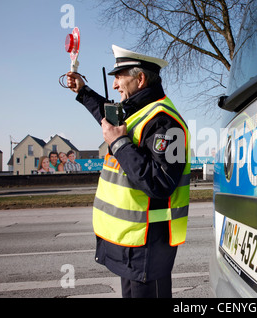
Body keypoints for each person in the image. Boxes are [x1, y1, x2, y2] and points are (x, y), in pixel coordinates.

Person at [66, 45, 191, 298]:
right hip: (132, 242)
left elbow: (161, 183)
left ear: (140, 79)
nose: (114, 86)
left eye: (118, 77)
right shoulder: (137, 113)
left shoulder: (166, 122)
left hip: (149, 246)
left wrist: (119, 144)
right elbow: (106, 114)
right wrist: (83, 91)